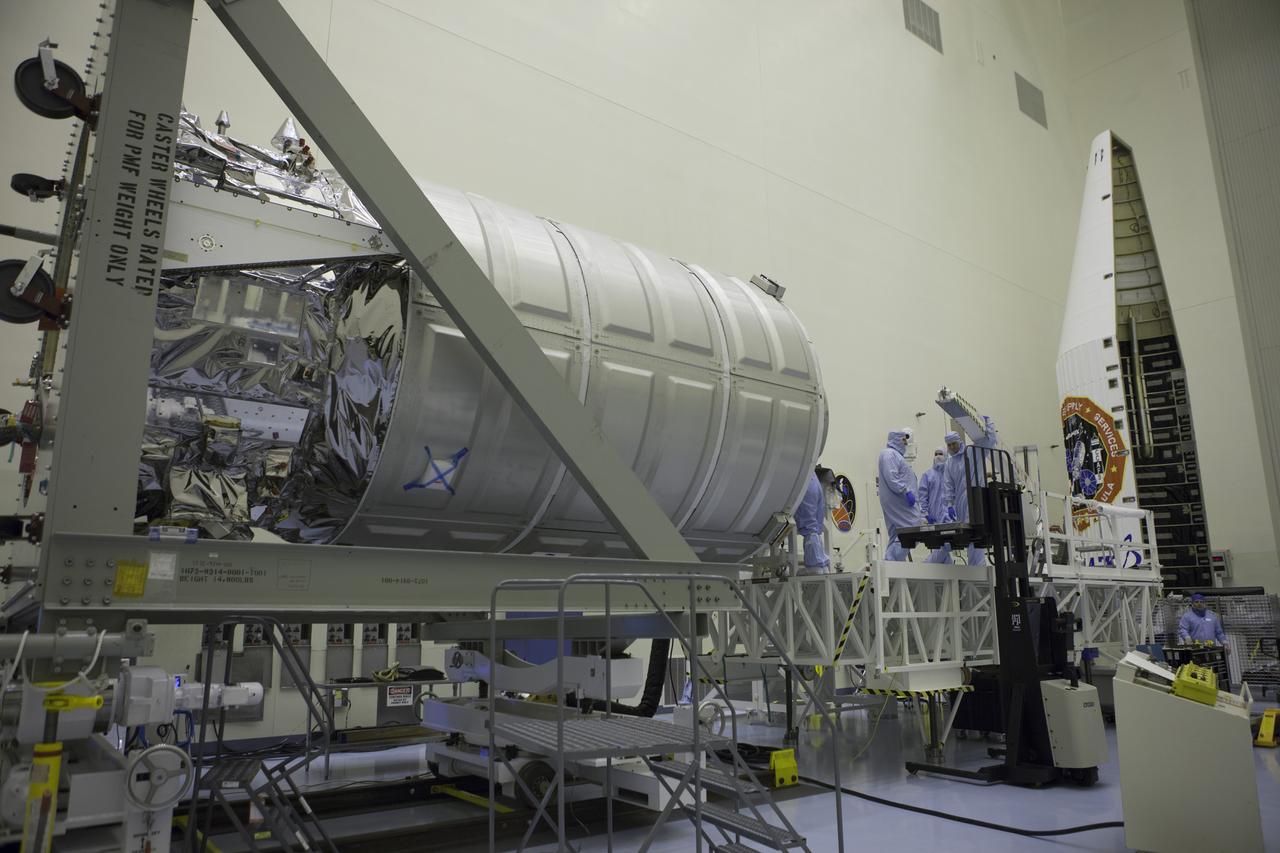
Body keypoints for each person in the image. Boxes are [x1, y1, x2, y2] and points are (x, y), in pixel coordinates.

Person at [878, 429, 921, 561]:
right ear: (896, 439)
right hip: (899, 499)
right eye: (903, 440)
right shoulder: (889, 454)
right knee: (913, 528)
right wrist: (906, 491)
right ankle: (891, 560)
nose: (905, 443)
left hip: (898, 500)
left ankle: (894, 569)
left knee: (897, 534)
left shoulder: (895, 455)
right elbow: (892, 477)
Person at [794, 466, 831, 574]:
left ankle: (814, 565)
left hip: (805, 482)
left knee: (809, 527)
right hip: (814, 482)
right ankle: (822, 564)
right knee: (814, 528)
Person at [918, 445, 952, 564]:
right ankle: (930, 566)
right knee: (942, 546)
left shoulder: (950, 475)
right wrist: (925, 514)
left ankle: (927, 565)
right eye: (936, 454)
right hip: (934, 518)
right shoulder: (928, 475)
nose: (937, 456)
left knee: (948, 544)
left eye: (940, 454)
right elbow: (922, 497)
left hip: (949, 517)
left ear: (946, 456)